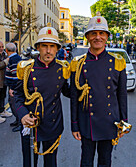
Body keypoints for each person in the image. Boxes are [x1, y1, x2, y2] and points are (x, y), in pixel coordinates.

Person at [70, 15, 127, 167]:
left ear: (107, 37)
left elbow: (122, 96)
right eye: (94, 33)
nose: (98, 37)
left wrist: (124, 122)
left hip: (110, 122)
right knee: (86, 162)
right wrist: (74, 125)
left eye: (102, 33)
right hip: (87, 122)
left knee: (105, 161)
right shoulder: (78, 64)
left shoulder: (118, 63)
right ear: (87, 36)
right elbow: (75, 97)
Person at [14, 24, 70, 167]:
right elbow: (16, 96)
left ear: (58, 49)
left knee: (51, 163)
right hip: (30, 124)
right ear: (38, 47)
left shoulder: (62, 69)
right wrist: (23, 115)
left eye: (52, 46)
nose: (48, 51)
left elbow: (68, 91)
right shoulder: (27, 69)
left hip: (53, 124)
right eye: (44, 46)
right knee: (29, 163)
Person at [5, 43, 22, 131]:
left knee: (14, 104)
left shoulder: (13, 60)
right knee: (12, 103)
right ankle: (17, 120)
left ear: (7, 50)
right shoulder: (15, 58)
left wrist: (12, 88)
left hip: (14, 87)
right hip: (13, 86)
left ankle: (20, 122)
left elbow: (16, 76)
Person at [0, 41, 12, 124]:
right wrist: (6, 61)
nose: (1, 48)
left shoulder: (4, 54)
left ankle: (2, 111)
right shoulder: (5, 57)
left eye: (2, 46)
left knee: (2, 96)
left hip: (4, 80)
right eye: (0, 47)